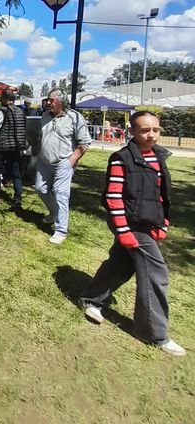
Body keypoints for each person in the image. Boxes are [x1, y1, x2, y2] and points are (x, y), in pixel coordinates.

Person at [79, 111, 186, 357]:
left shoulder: (159, 158)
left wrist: (163, 222)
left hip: (148, 225)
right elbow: (113, 198)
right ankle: (153, 333)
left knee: (121, 264)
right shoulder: (121, 159)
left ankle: (91, 300)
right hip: (132, 226)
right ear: (132, 132)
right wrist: (123, 231)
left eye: (156, 130)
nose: (151, 135)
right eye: (145, 130)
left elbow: (161, 196)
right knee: (156, 273)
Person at [34, 88, 92, 244]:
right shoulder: (45, 116)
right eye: (47, 100)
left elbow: (85, 142)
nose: (48, 103)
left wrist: (71, 160)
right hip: (44, 161)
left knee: (61, 193)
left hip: (64, 162)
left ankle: (60, 230)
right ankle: (54, 213)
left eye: (51, 100)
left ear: (61, 101)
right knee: (40, 188)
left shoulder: (75, 117)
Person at [0, 89, 27, 209]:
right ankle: (17, 199)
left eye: (1, 98)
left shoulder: (2, 111)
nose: (0, 100)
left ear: (5, 99)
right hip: (16, 147)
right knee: (16, 174)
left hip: (1, 146)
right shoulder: (21, 111)